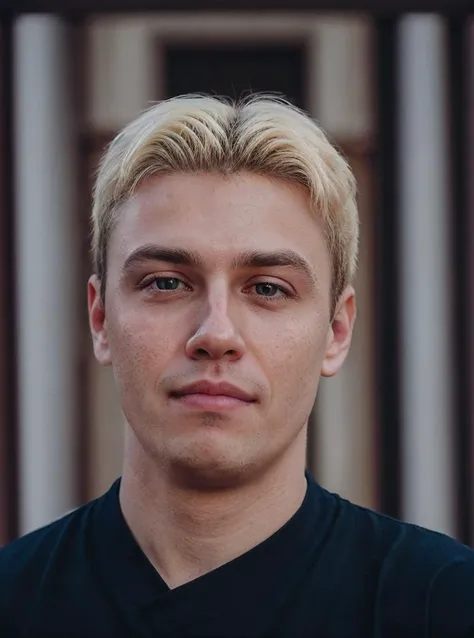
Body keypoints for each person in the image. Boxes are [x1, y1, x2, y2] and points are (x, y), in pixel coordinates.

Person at [1, 93, 473, 638]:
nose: (216, 334)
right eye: (166, 283)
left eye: (268, 288)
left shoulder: (444, 607)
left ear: (336, 332)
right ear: (101, 318)